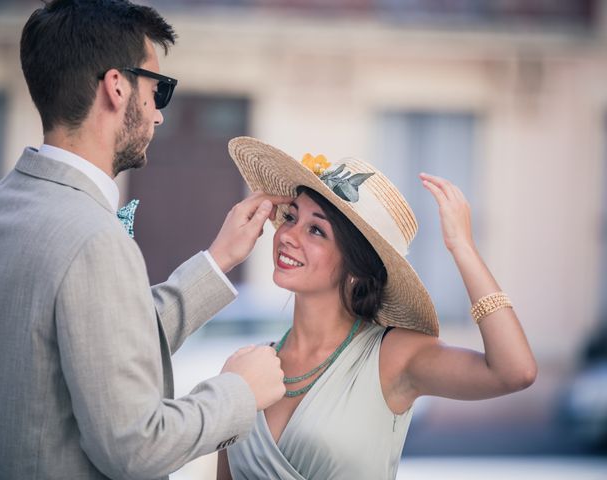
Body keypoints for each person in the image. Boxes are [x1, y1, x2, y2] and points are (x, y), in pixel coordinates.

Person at [0, 2, 289, 479]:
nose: (159, 117)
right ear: (117, 87)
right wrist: (238, 391)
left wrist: (219, 260)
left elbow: (96, 345)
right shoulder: (94, 237)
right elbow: (135, 447)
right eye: (158, 91)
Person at [217, 137, 538, 479]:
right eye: (291, 217)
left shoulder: (393, 357)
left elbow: (515, 372)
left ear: (356, 265)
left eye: (316, 230)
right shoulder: (243, 368)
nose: (288, 236)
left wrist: (463, 248)